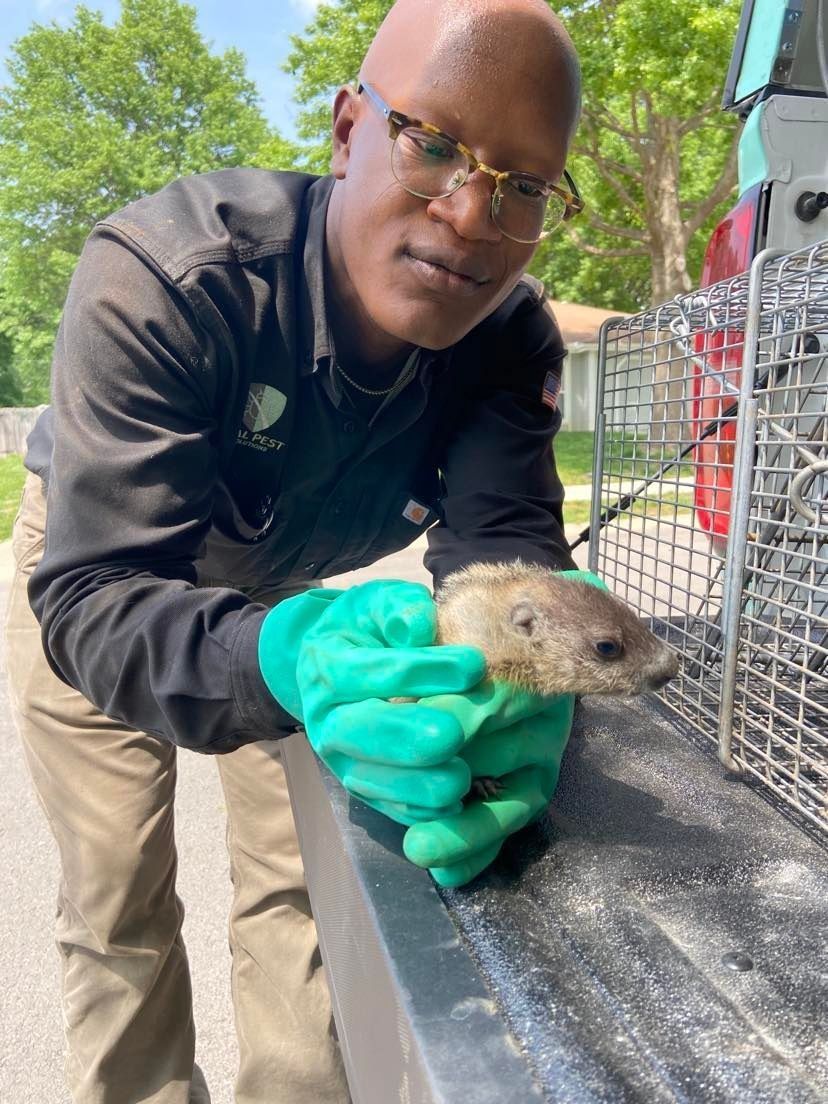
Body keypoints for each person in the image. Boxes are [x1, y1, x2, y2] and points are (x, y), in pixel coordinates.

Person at [4, 0, 586, 1100]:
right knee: (118, 894)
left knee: (302, 885)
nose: (471, 216)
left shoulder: (507, 340)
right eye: (436, 146)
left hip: (288, 583)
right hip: (102, 575)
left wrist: (518, 684)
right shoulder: (172, 277)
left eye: (523, 186)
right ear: (348, 126)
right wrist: (280, 658)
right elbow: (95, 589)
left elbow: (503, 557)